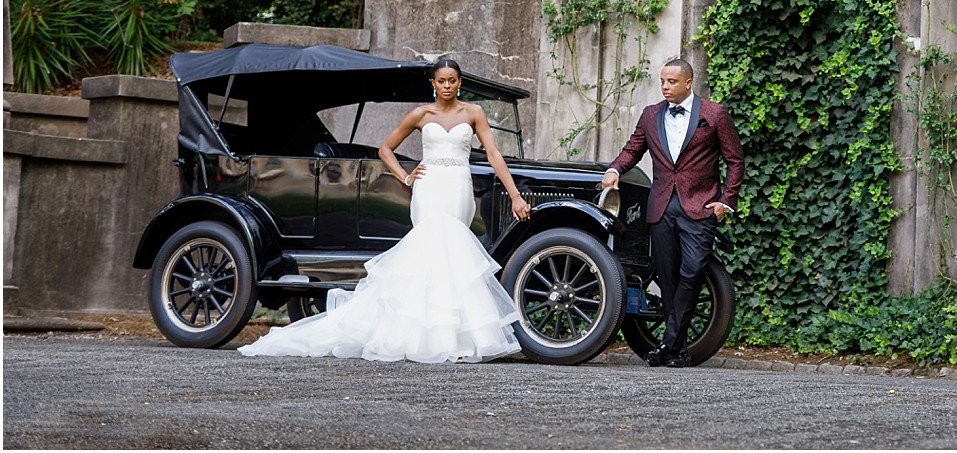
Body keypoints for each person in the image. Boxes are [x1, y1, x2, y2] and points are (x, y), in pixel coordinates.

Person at [238, 59, 533, 363]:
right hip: (429, 186)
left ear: (459, 83)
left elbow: (494, 153)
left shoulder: (474, 113)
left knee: (452, 253)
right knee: (430, 250)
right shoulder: (421, 114)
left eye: (452, 81)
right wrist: (405, 177)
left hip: (458, 186)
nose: (447, 86)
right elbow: (385, 149)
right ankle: (421, 336)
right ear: (433, 83)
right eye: (441, 81)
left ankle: (455, 335)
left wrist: (515, 196)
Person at [601, 57, 744, 368]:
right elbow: (633, 149)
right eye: (662, 81)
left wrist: (726, 202)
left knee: (692, 272)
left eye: (671, 82)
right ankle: (675, 350)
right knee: (667, 280)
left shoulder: (714, 114)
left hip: (701, 206)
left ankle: (669, 344)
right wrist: (614, 169)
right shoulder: (650, 115)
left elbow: (735, 161)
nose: (664, 86)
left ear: (688, 83)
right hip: (662, 206)